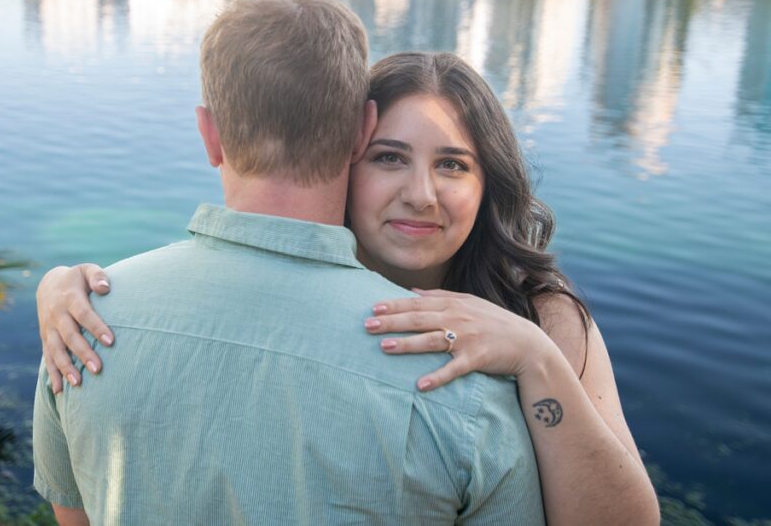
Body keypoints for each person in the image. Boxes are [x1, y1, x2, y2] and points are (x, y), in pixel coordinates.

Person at [36, 49, 661, 525]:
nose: (421, 194)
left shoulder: (545, 315)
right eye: (389, 158)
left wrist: (534, 358)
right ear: (346, 157)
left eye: (452, 165)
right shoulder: (291, 293)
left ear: (486, 184)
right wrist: (65, 286)